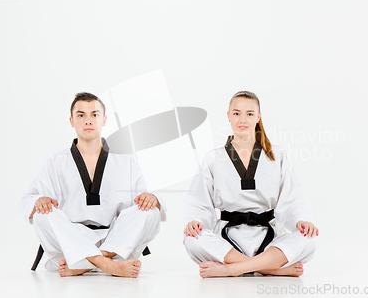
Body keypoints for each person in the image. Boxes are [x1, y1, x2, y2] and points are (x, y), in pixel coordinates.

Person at [20, 92, 166, 278]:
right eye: (81, 115)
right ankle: (108, 265)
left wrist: (151, 197)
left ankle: (86, 262)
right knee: (42, 215)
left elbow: (147, 200)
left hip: (116, 238)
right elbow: (27, 201)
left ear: (103, 120)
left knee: (151, 211)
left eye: (94, 115)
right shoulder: (56, 162)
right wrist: (39, 200)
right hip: (72, 237)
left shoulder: (125, 161)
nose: (88, 121)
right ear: (72, 121)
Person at [183, 91, 319, 278]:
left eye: (249, 113)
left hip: (268, 236)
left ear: (258, 117)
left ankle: (233, 269)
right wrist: (196, 221)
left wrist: (300, 220)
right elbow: (199, 201)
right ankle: (270, 268)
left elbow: (293, 197)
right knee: (192, 240)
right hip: (228, 236)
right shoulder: (213, 158)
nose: (242, 119)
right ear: (228, 116)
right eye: (237, 113)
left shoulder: (276, 155)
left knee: (309, 239)